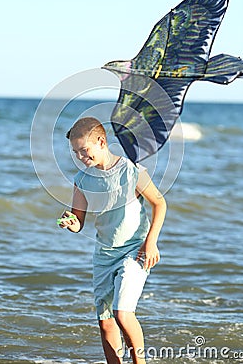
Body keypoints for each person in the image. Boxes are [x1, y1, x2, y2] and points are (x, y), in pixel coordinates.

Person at [59, 117, 166, 364]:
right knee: (105, 322)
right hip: (103, 255)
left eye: (84, 151)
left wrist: (151, 242)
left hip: (134, 251)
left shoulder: (132, 171)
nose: (80, 157)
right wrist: (71, 224)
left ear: (101, 141)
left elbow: (159, 203)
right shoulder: (82, 180)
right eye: (75, 152)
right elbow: (78, 221)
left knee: (122, 313)